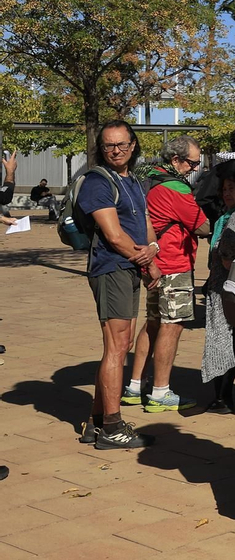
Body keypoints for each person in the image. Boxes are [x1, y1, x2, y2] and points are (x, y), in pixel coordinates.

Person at [78, 121, 158, 450]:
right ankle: (111, 426)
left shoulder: (132, 181)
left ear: (133, 145)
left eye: (122, 145)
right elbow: (114, 236)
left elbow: (145, 224)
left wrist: (152, 251)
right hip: (111, 268)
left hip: (128, 268)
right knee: (117, 345)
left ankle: (95, 423)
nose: (116, 151)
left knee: (120, 345)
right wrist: (148, 262)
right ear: (101, 148)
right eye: (109, 146)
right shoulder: (97, 182)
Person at [124, 134, 209, 412]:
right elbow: (201, 226)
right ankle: (161, 391)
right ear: (176, 159)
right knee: (172, 326)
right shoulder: (176, 188)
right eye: (193, 163)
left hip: (152, 263)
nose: (195, 168)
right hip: (174, 263)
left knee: (152, 323)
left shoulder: (146, 178)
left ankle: (135, 386)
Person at [199, 158, 235, 413]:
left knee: (233, 343)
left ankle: (227, 397)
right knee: (234, 343)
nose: (227, 193)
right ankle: (229, 395)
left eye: (233, 187)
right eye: (224, 189)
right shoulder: (227, 217)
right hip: (225, 290)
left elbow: (226, 256)